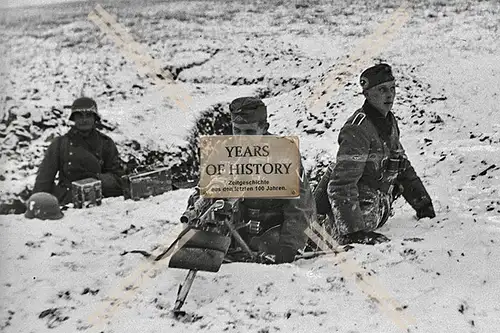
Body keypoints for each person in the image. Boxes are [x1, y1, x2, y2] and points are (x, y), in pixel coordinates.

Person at [185, 97, 317, 264]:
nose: (241, 138)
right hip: (235, 229)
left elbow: (301, 205)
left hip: (273, 229)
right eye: (237, 130)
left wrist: (289, 246)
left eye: (249, 132)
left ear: (264, 128)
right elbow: (202, 189)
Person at [317, 64, 436, 245]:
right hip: (347, 215)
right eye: (381, 90)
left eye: (392, 88)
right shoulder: (357, 129)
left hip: (375, 207)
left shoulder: (389, 121)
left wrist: (423, 204)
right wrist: (355, 233)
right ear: (367, 94)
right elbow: (341, 184)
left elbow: (400, 164)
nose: (389, 95)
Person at [32, 97, 124, 205]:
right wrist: (36, 205)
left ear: (95, 118)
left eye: (88, 115)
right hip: (68, 202)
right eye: (79, 116)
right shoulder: (59, 144)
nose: (84, 120)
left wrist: (95, 178)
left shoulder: (106, 143)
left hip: (99, 202)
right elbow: (43, 181)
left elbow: (118, 180)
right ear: (74, 118)